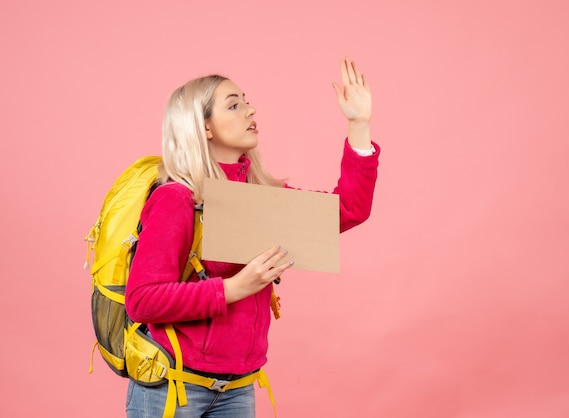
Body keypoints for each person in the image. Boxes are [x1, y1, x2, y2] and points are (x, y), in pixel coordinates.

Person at [125, 57, 380, 418]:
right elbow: (142, 301)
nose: (251, 109)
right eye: (234, 104)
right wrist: (234, 288)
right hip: (174, 386)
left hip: (238, 387)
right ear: (205, 127)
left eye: (246, 101)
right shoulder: (176, 197)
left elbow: (348, 210)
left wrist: (359, 124)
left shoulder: (257, 194)